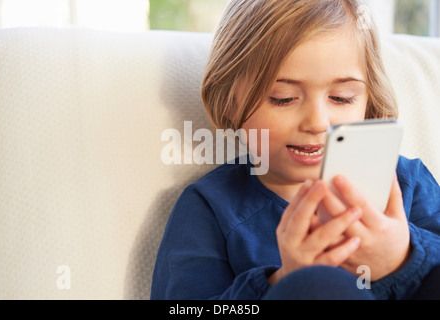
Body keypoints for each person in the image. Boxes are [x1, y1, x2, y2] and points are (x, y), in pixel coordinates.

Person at [151, 0, 440, 300]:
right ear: (229, 100)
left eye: (341, 98)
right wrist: (282, 282)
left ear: (369, 99)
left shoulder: (406, 183)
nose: (318, 123)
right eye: (283, 98)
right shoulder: (210, 207)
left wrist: (403, 257)